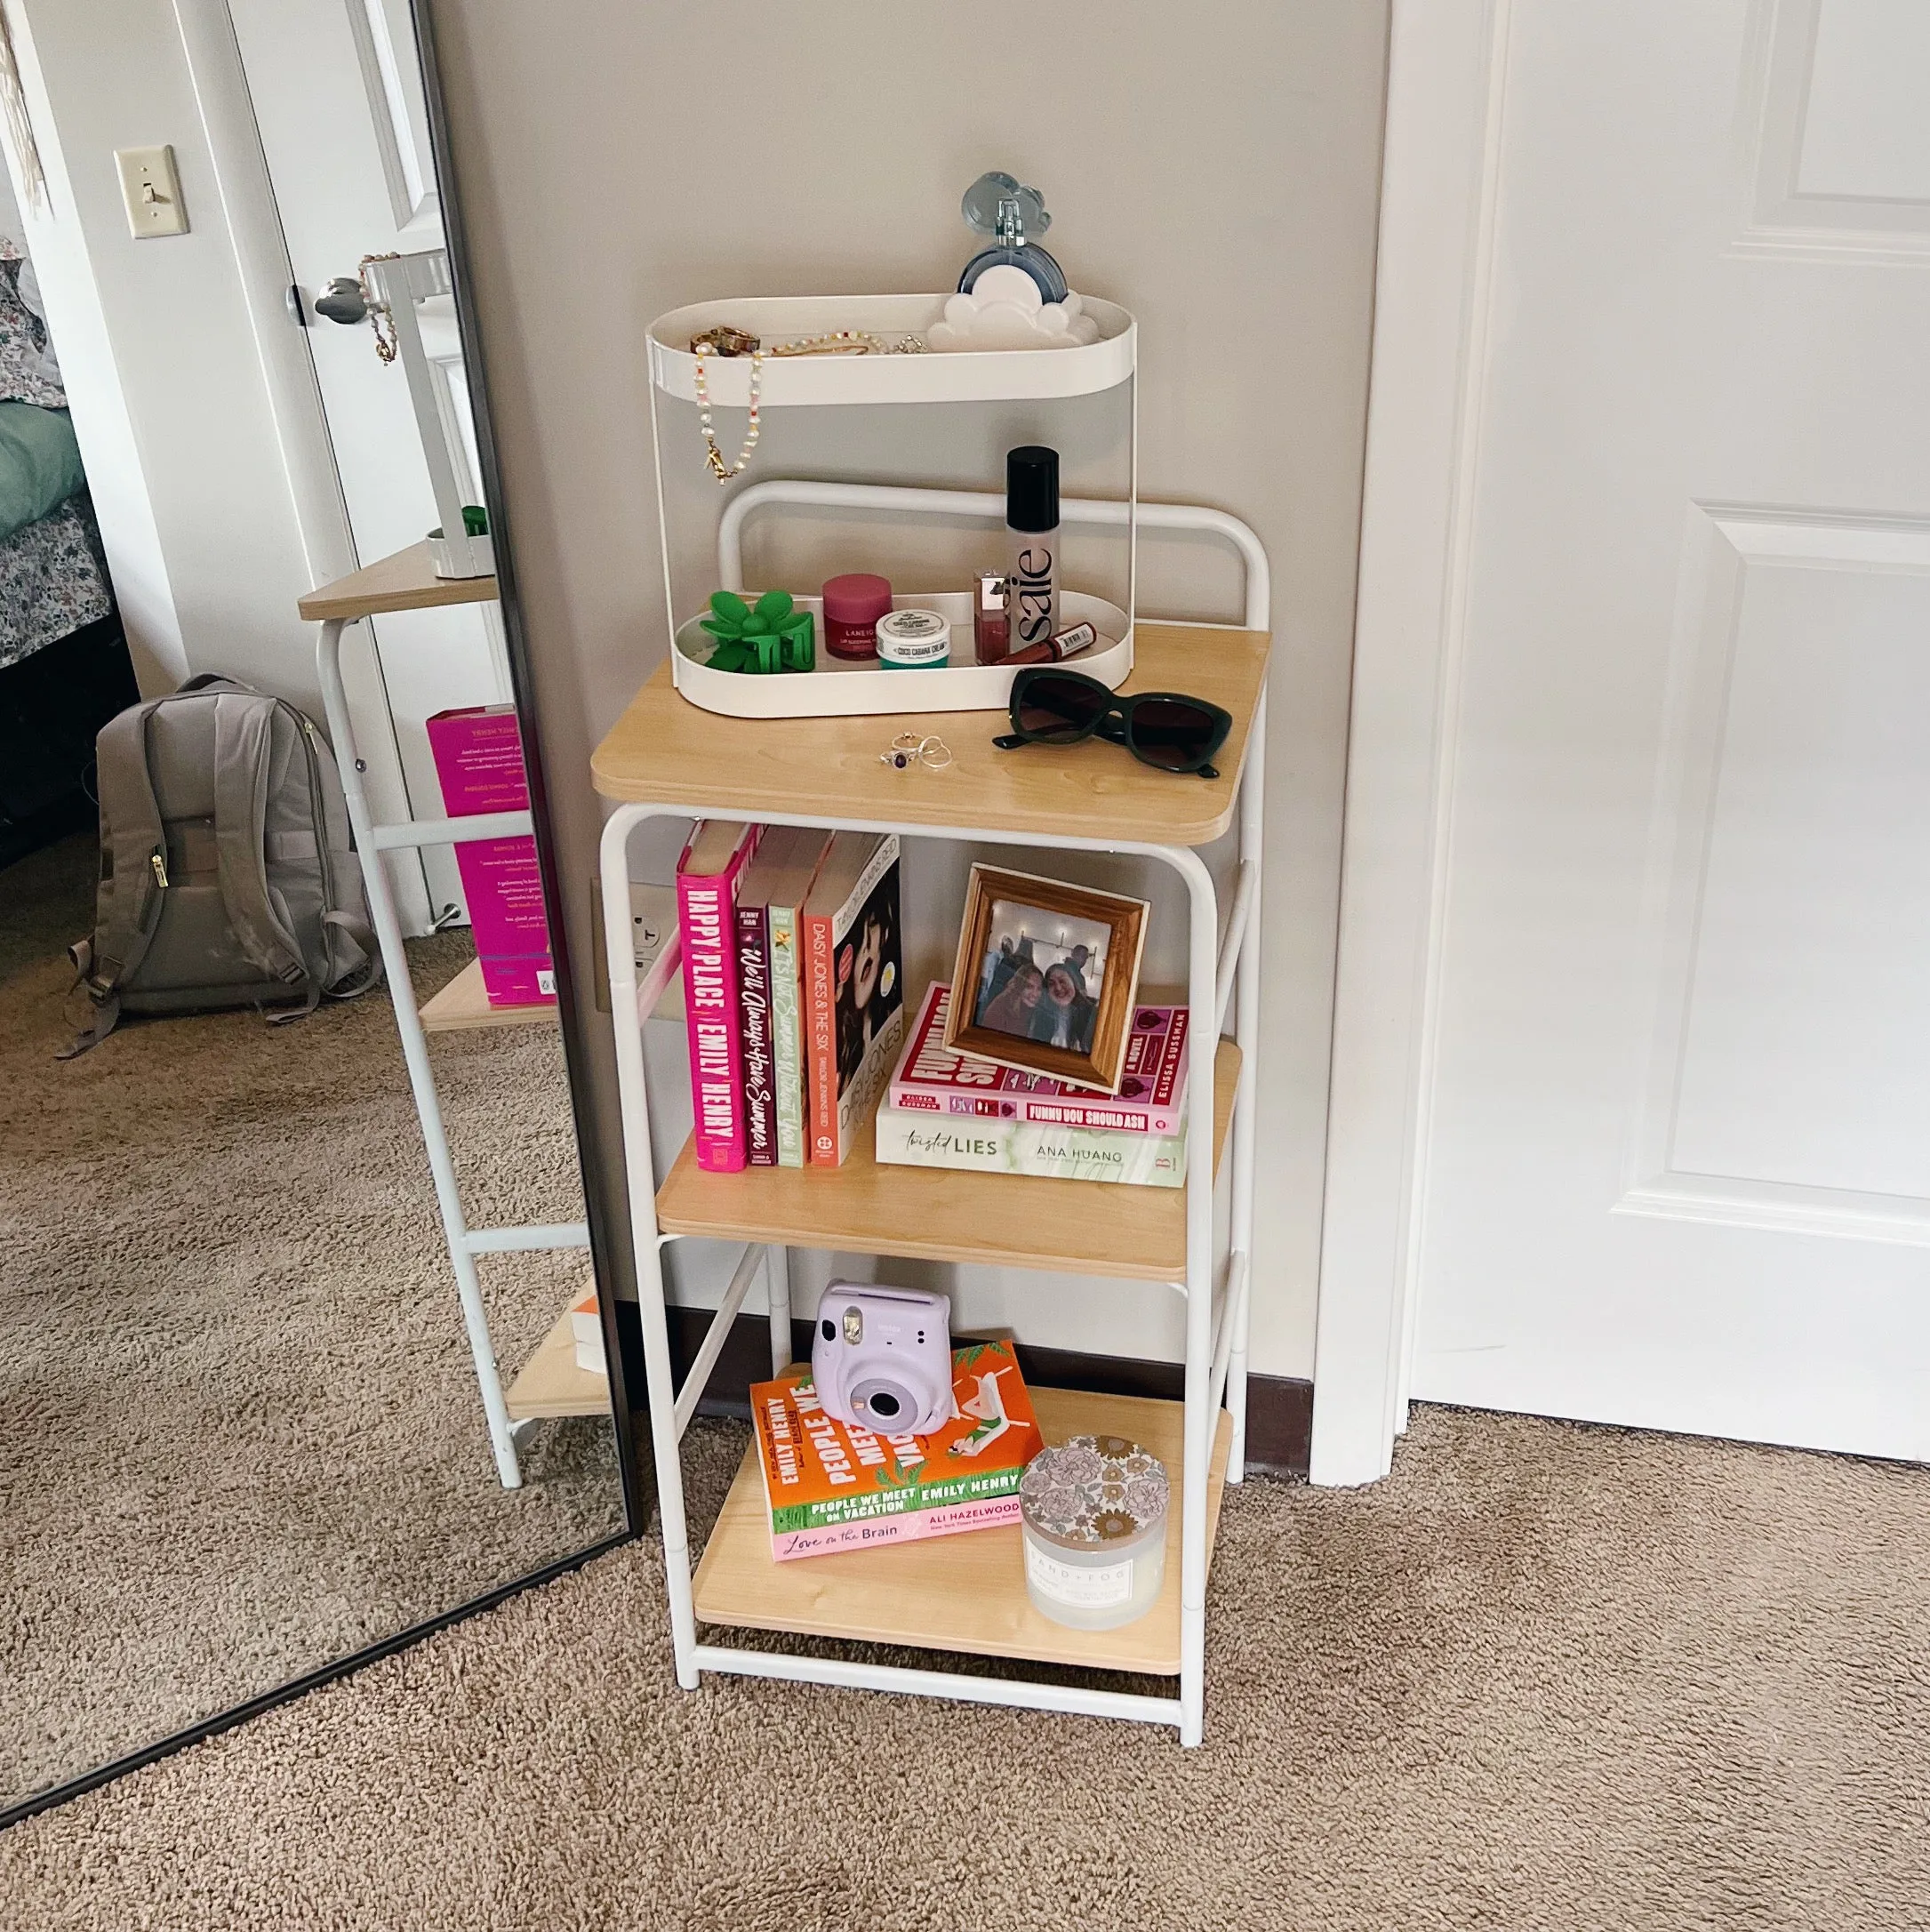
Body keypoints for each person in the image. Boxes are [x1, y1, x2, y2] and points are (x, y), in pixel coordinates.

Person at [1030, 962, 1095, 1054]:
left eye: (1062, 981)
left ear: (1073, 983)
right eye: (1051, 984)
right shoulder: (1041, 1015)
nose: (1058, 988)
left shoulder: (1091, 1016)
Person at [979, 959, 1044, 1037]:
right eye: (1029, 987)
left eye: (1039, 989)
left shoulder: (1035, 1011)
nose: (1035, 994)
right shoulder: (1001, 1007)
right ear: (1020, 986)